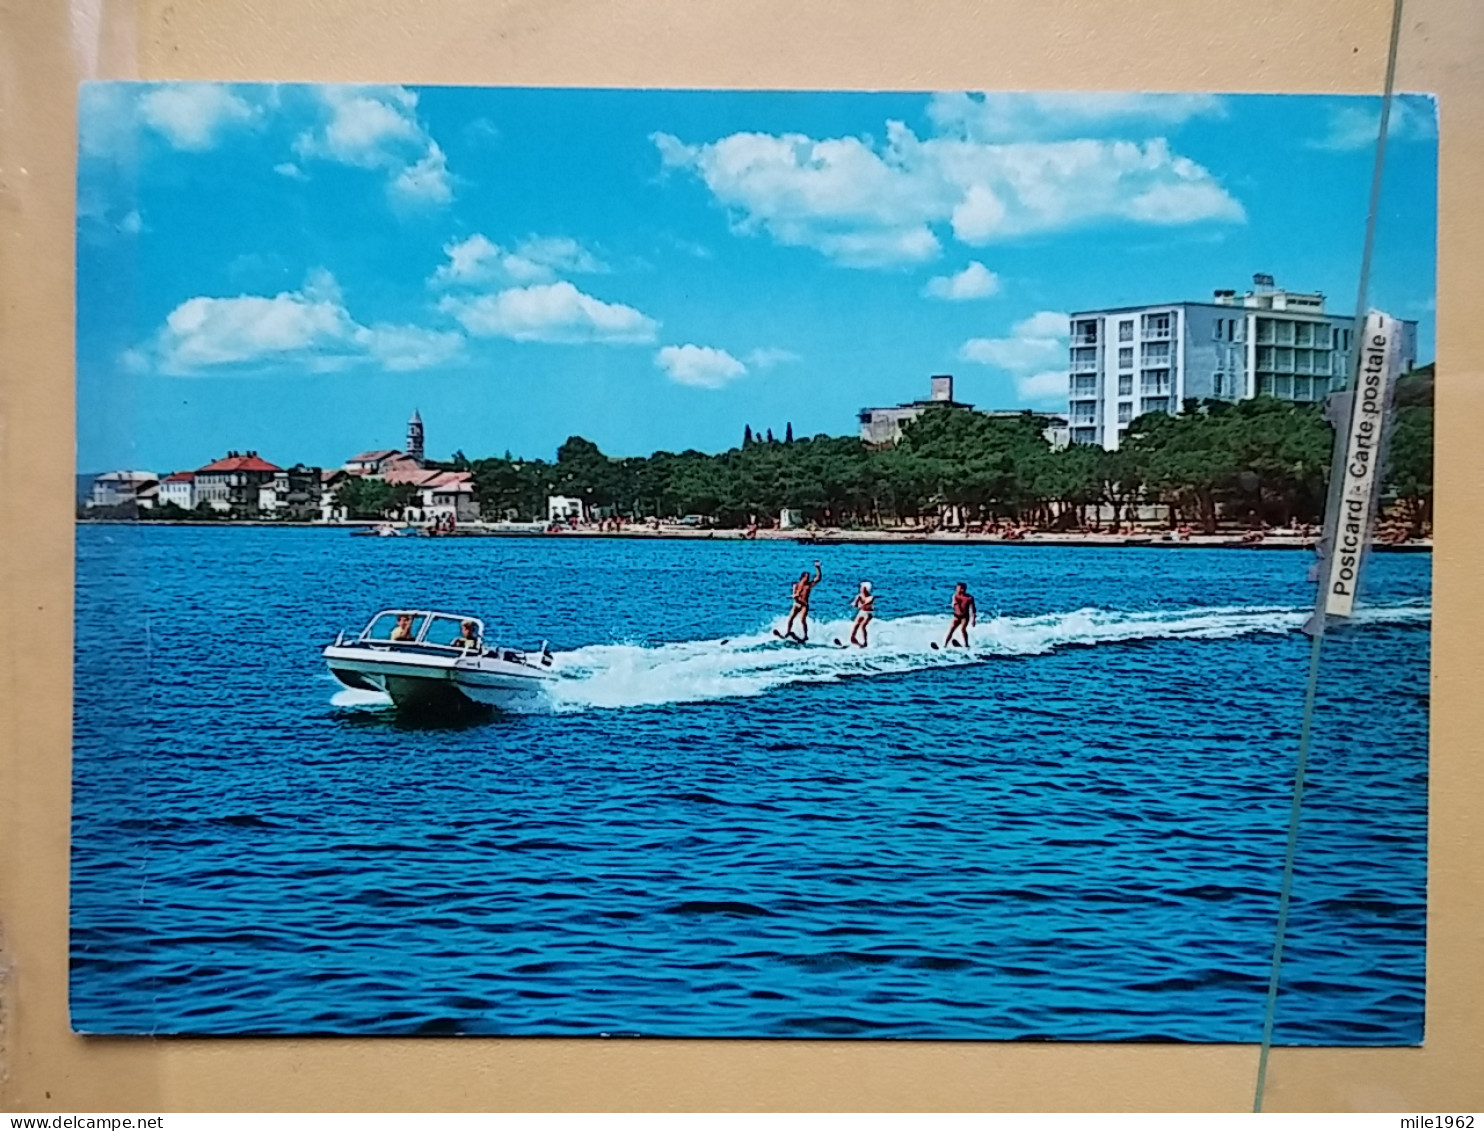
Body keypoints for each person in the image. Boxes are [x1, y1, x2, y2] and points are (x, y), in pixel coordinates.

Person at [781, 560, 822, 641]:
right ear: (802, 577)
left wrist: (818, 568)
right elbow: (794, 595)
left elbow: (818, 578)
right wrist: (795, 596)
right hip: (796, 604)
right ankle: (788, 632)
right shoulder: (796, 585)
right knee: (791, 618)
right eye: (806, 577)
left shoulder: (809, 585)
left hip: (804, 605)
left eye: (808, 577)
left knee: (802, 619)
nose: (807, 579)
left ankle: (805, 635)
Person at [944, 583, 976, 649]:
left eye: (958, 588)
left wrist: (973, 620)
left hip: (965, 617)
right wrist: (955, 604)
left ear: (963, 589)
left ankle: (966, 645)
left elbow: (973, 609)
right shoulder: (955, 596)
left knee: (963, 629)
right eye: (957, 588)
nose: (957, 589)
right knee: (951, 629)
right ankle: (945, 645)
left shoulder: (969, 598)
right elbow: (955, 605)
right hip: (957, 616)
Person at [849, 581, 875, 647]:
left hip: (868, 613)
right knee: (856, 625)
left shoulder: (870, 597)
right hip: (861, 612)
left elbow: (867, 603)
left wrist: (862, 605)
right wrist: (855, 603)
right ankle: (853, 638)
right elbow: (855, 604)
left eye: (863, 588)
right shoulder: (859, 596)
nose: (861, 589)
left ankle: (865, 642)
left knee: (863, 626)